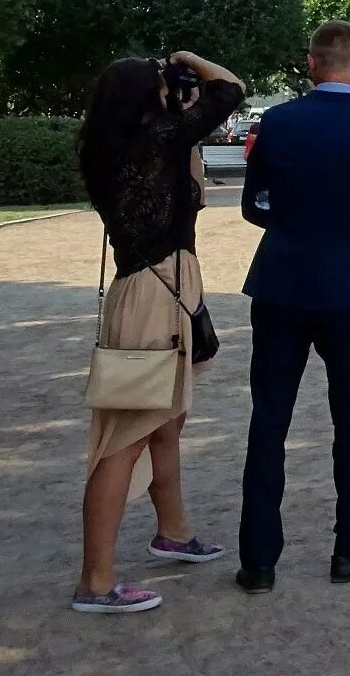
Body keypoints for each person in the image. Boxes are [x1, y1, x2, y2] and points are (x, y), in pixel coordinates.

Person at [236, 21, 350, 594]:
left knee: (269, 421)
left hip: (281, 281)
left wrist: (292, 228)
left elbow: (253, 205)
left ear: (309, 64)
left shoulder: (278, 123)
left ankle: (259, 560)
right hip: (348, 286)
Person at [72, 50, 245, 614]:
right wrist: (182, 61)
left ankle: (172, 529)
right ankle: (96, 582)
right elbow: (231, 90)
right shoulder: (154, 143)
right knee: (122, 440)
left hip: (158, 288)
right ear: (148, 99)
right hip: (155, 296)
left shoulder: (128, 145)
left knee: (166, 423)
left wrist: (172, 94)